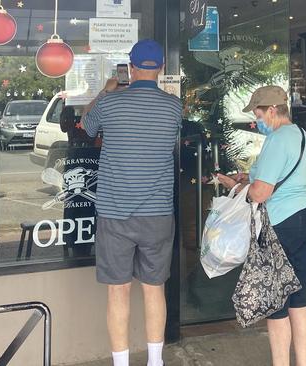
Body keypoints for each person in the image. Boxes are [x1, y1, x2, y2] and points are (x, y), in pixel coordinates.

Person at [83, 39, 182, 366]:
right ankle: (156, 361)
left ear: (130, 67)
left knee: (118, 291)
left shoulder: (111, 103)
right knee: (155, 289)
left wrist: (105, 91)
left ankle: (121, 363)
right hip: (157, 213)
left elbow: (86, 125)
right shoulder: (173, 107)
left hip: (115, 214)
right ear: (162, 68)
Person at [217, 86, 306, 366]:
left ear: (272, 111)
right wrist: (245, 177)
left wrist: (239, 188)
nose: (256, 120)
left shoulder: (277, 138)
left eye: (258, 113)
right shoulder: (300, 135)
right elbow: (280, 174)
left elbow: (261, 193)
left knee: (274, 300)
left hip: (281, 222)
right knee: (298, 294)